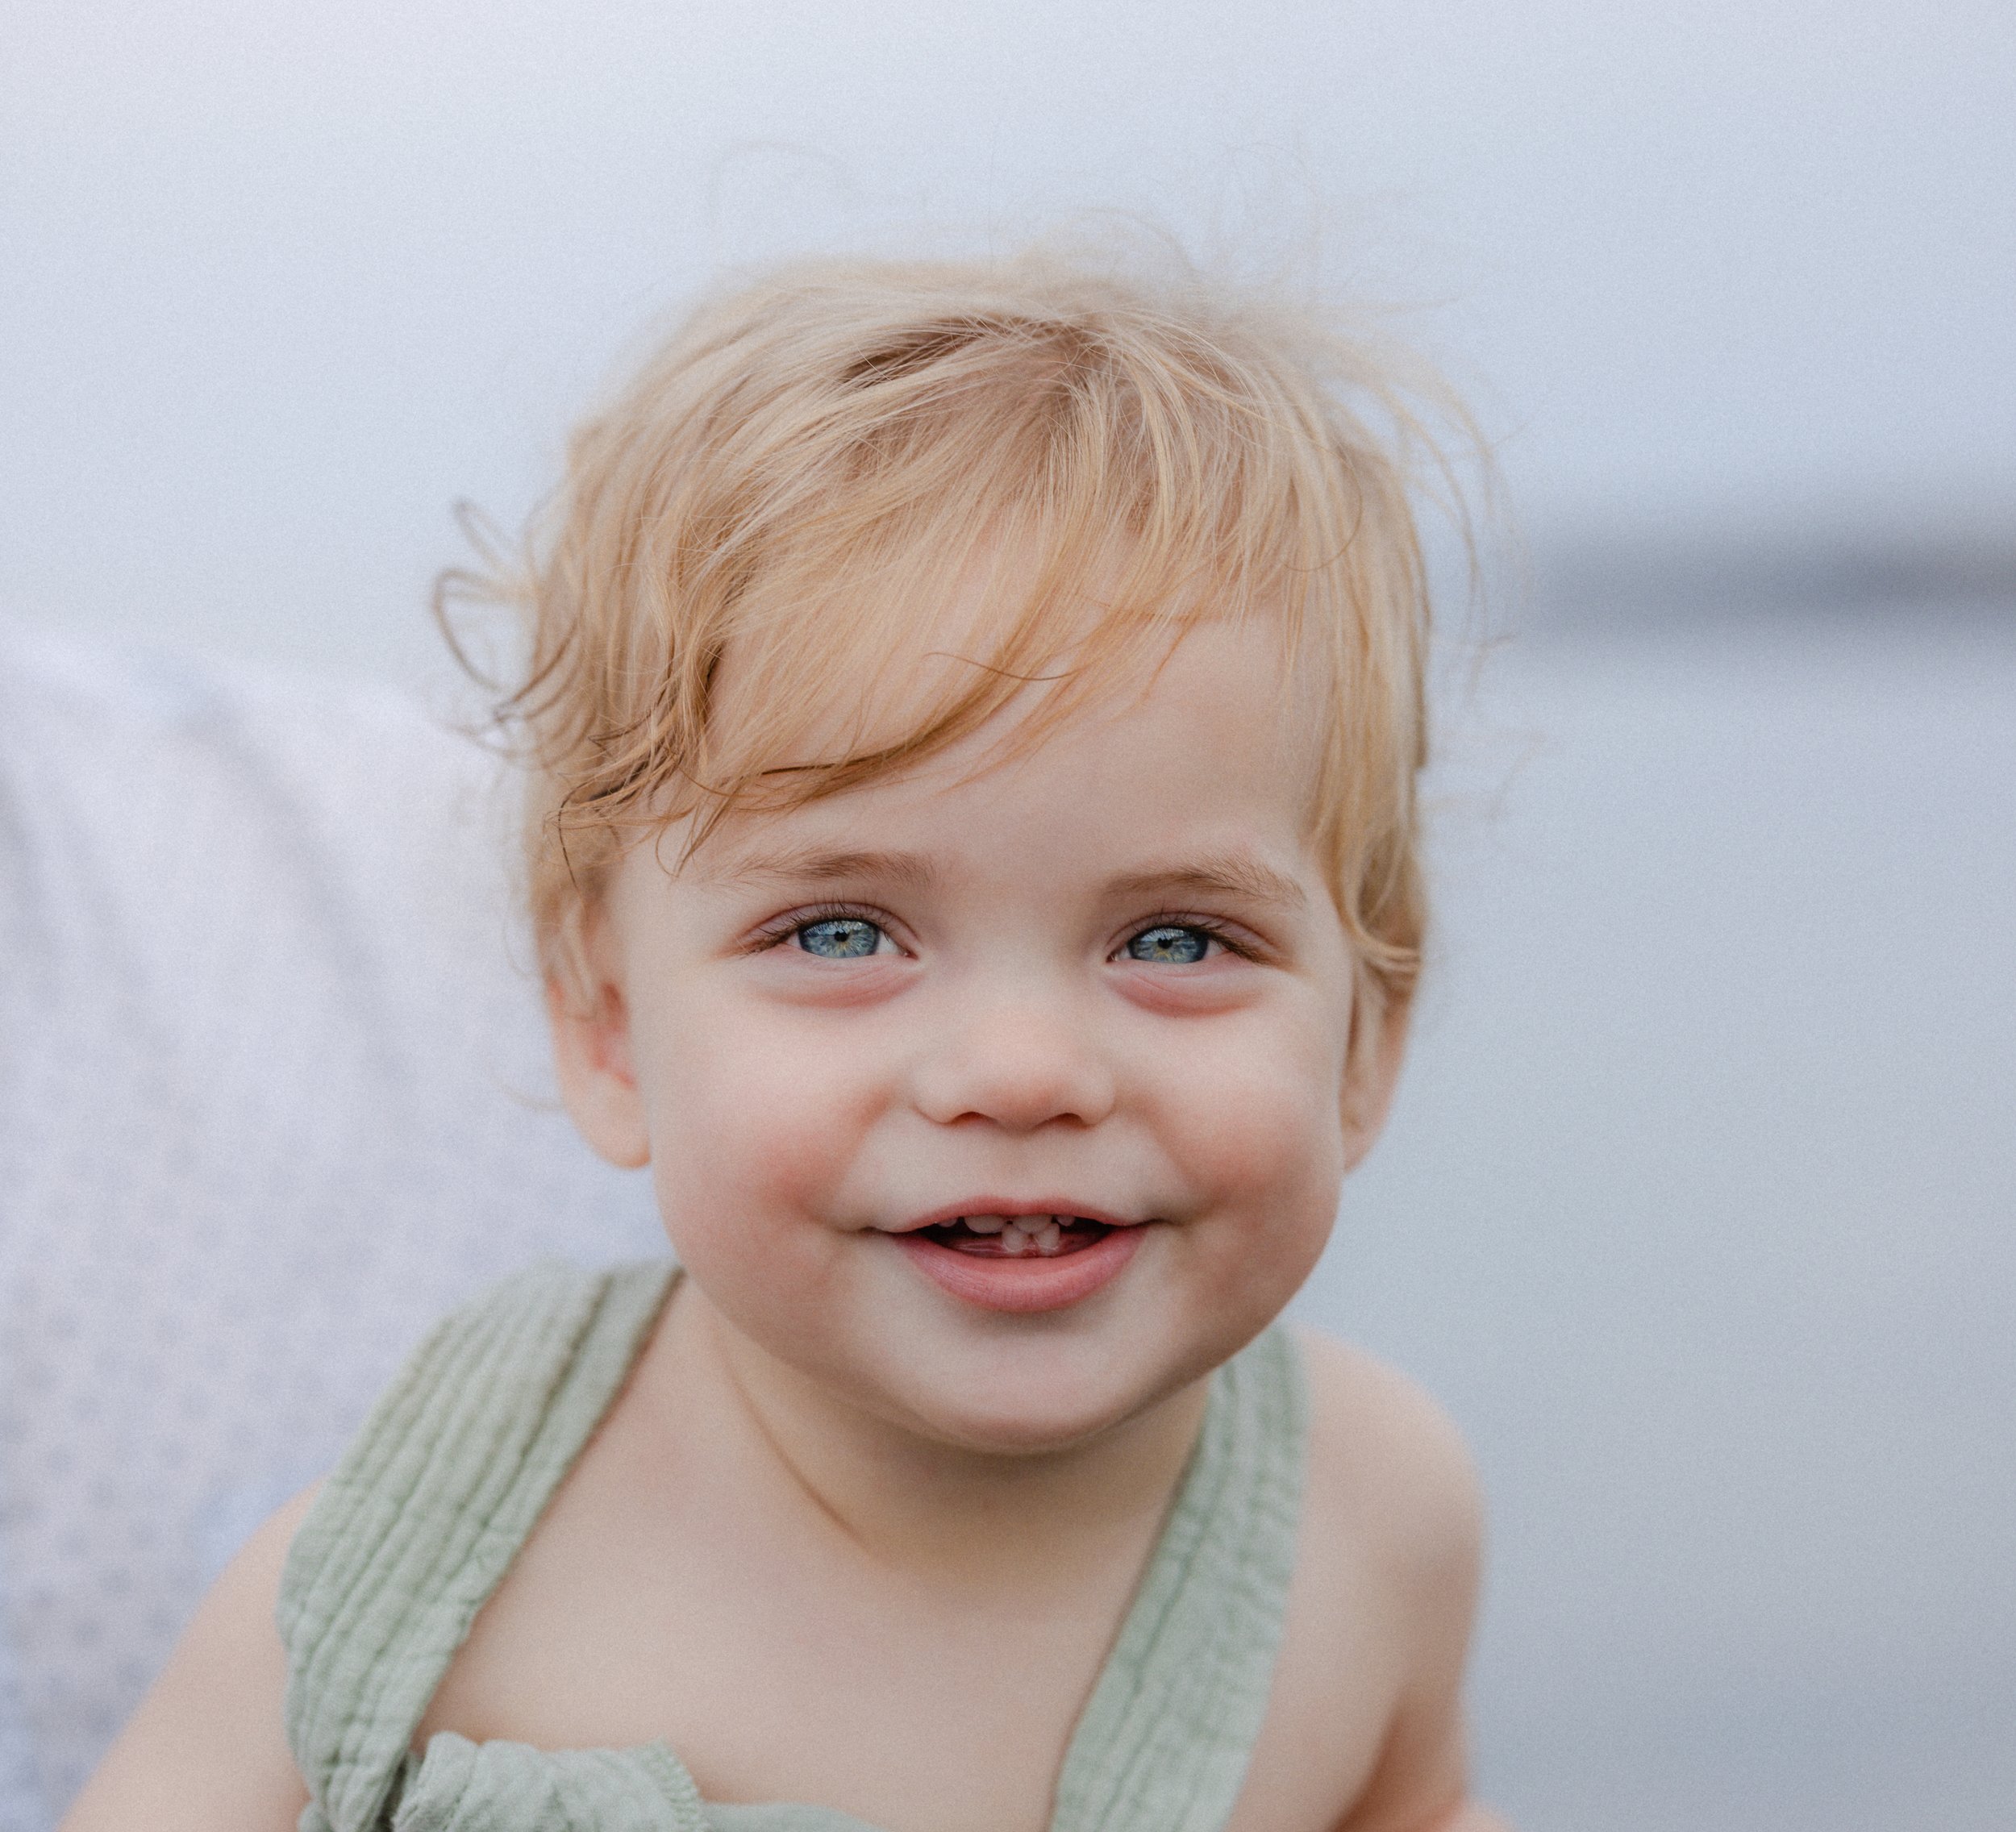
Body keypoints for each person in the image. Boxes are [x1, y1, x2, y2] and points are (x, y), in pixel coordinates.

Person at [60, 241, 1507, 1832]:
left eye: (1175, 939)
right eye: (838, 934)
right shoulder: (400, 1602)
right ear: (607, 1031)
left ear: (1367, 1035)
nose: (1020, 1070)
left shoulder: (1370, 1514)